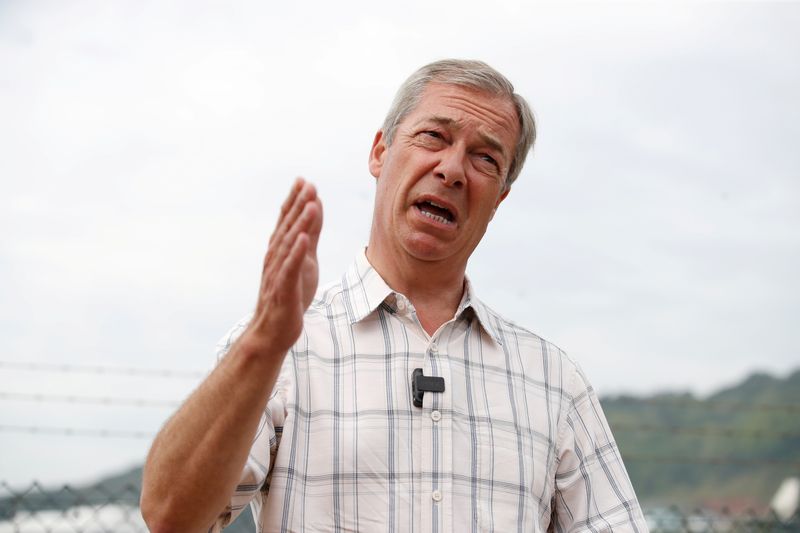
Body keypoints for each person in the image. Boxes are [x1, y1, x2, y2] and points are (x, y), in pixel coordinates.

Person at [141, 59, 648, 533]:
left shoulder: (552, 381)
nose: (452, 169)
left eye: (485, 158)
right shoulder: (284, 350)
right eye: (433, 136)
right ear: (380, 152)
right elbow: (171, 517)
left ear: (500, 198)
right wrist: (264, 342)